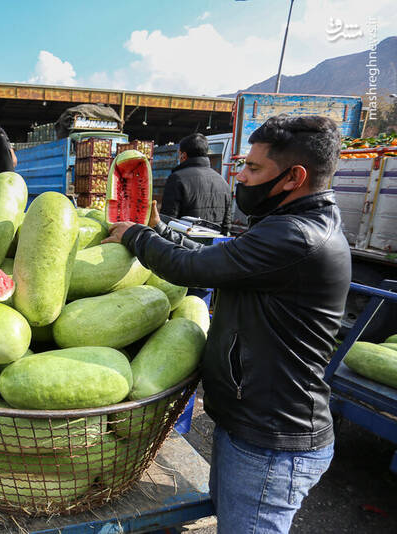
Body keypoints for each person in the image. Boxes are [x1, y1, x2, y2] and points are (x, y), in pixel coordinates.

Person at [104, 115, 351, 533]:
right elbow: (220, 260)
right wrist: (159, 228)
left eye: (254, 168)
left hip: (272, 440)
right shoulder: (287, 227)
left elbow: (191, 266)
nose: (240, 175)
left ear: (295, 177)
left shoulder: (297, 237)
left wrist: (135, 237)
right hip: (251, 427)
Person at [160, 133, 233, 234]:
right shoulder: (222, 181)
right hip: (213, 246)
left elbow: (168, 220)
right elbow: (226, 225)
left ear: (183, 155)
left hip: (184, 245)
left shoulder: (177, 178)